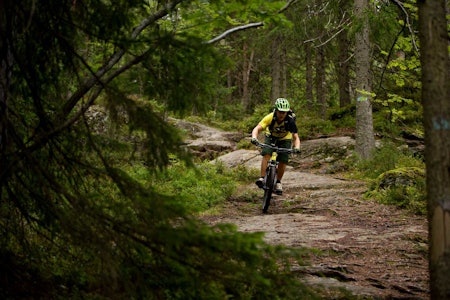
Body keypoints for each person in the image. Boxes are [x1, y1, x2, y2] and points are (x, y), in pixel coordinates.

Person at [251, 98, 301, 195]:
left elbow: (296, 137)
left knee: (283, 159)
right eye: (280, 112)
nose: (282, 114)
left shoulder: (290, 121)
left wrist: (297, 148)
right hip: (271, 136)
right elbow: (257, 128)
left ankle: (278, 182)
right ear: (276, 110)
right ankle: (262, 178)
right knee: (266, 154)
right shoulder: (270, 117)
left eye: (284, 112)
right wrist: (254, 138)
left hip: (285, 138)